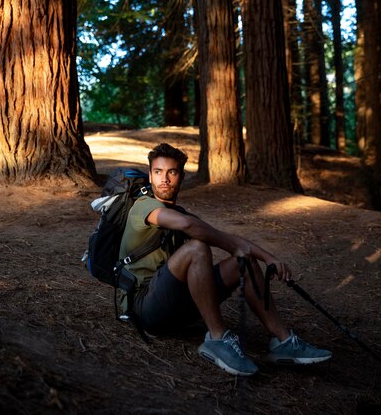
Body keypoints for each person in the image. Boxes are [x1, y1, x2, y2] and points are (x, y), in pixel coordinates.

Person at [119, 143, 332, 376]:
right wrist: (229, 245)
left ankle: (282, 341)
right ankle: (218, 339)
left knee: (245, 262)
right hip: (145, 309)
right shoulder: (144, 206)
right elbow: (191, 227)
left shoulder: (181, 215)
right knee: (197, 248)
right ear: (150, 175)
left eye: (172, 172)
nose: (165, 179)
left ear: (181, 176)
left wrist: (267, 257)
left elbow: (215, 233)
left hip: (176, 306)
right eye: (158, 172)